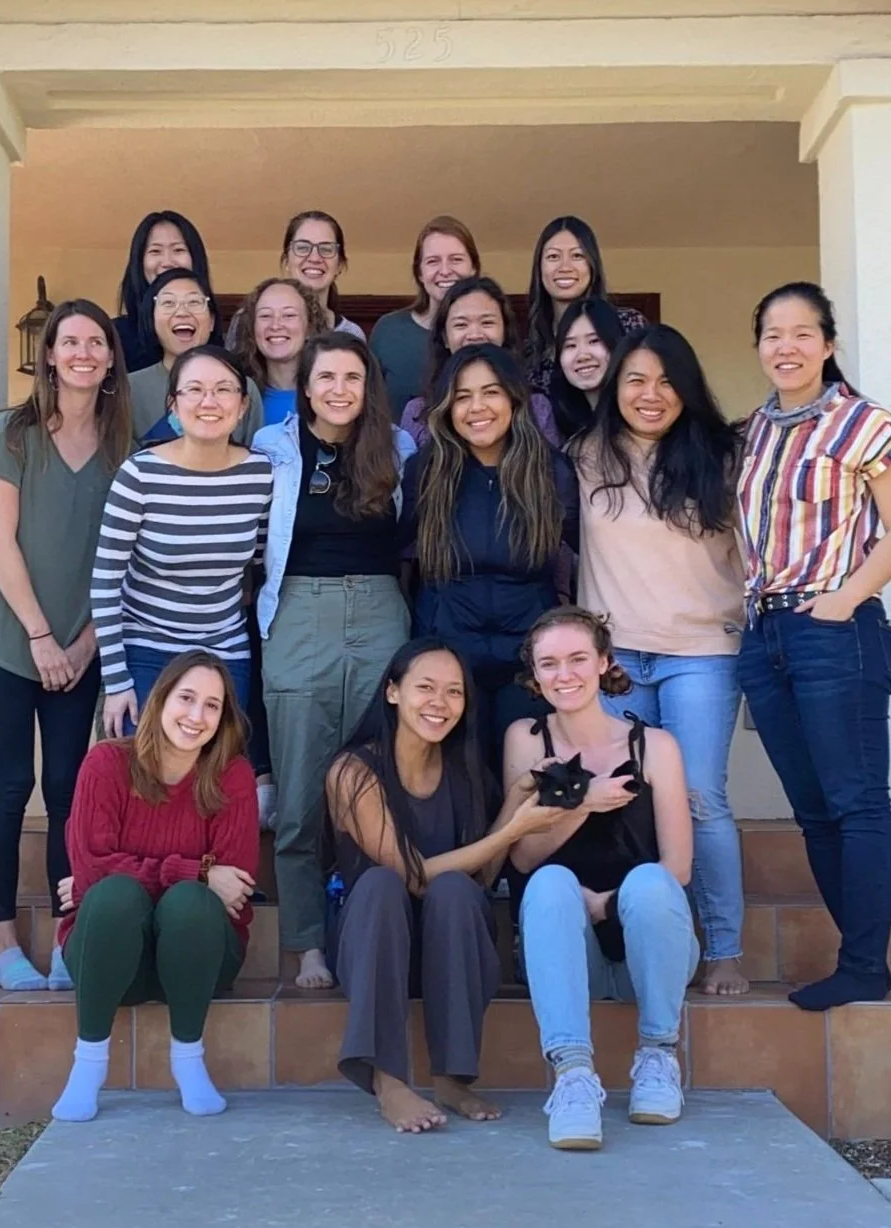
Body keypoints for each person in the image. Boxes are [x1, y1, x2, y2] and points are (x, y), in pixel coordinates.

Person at [736, 281, 891, 1012]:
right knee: (812, 810)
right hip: (765, 636)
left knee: (857, 801)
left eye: (801, 333)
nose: (786, 347)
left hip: (834, 631)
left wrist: (842, 601)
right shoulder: (752, 432)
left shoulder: (864, 424)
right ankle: (862, 963)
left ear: (828, 344)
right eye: (772, 335)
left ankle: (863, 966)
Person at [325, 638, 567, 1132]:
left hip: (449, 956)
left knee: (457, 890)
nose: (440, 702)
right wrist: (512, 831)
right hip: (374, 951)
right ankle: (388, 1080)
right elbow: (410, 874)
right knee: (381, 885)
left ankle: (453, 1078)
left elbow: (483, 875)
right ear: (393, 691)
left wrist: (515, 803)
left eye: (454, 691)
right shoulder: (353, 770)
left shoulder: (463, 770)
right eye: (426, 687)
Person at [572, 323, 750, 997]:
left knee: (700, 798)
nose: (650, 394)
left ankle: (724, 949)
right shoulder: (585, 455)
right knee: (618, 800)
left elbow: (758, 555)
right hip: (616, 660)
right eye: (635, 380)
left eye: (667, 381)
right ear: (614, 386)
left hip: (701, 653)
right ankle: (634, 946)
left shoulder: (723, 457)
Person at [0, 300, 134, 993]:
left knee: (68, 786)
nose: (83, 352)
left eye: (96, 342)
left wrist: (87, 643)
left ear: (111, 358)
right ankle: (3, 948)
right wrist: (39, 636)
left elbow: (127, 562)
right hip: (5, 639)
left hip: (81, 645)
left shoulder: (125, 448)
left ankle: (68, 939)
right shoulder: (14, 433)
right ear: (51, 356)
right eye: (70, 341)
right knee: (10, 785)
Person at [251, 333, 416, 991]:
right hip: (299, 612)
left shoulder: (397, 449)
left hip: (380, 614)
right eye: (326, 377)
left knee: (380, 780)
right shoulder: (273, 447)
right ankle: (308, 945)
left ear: (369, 386)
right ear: (306, 386)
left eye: (353, 377)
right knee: (300, 791)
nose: (339, 390)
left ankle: (372, 931)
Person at [507, 606, 698, 1150]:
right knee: (549, 884)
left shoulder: (653, 745)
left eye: (577, 659)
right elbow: (521, 858)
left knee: (650, 882)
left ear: (604, 662)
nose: (564, 674)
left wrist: (606, 903)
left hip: (650, 949)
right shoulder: (527, 739)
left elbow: (679, 867)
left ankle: (658, 1056)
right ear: (534, 674)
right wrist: (583, 802)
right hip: (567, 955)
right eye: (549, 664)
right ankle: (573, 1078)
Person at [50, 650, 259, 1122]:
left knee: (189, 904)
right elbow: (93, 871)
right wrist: (195, 871)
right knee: (116, 896)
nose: (196, 715)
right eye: (186, 698)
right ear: (159, 699)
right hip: (109, 958)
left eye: (212, 705)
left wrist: (178, 881)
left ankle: (189, 1060)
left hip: (198, 961)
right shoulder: (106, 763)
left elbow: (235, 890)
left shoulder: (233, 776)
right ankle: (88, 1065)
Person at [401, 344, 578, 757]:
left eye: (491, 392)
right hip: (449, 657)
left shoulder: (551, 471)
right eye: (462, 396)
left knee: (525, 774)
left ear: (514, 399)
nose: (476, 407)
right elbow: (400, 557)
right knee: (459, 775)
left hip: (528, 659)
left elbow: (587, 554)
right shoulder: (426, 470)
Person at [92, 345, 272, 736]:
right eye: (194, 389)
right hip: (145, 648)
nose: (209, 401)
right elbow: (105, 584)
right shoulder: (139, 475)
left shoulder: (260, 475)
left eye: (224, 389)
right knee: (139, 766)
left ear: (243, 405)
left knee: (216, 768)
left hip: (224, 650)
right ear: (173, 404)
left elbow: (259, 562)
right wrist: (117, 681)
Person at [396, 275, 561, 451]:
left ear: (505, 331)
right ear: (444, 337)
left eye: (487, 322)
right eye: (461, 325)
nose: (475, 335)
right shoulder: (418, 412)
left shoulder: (536, 407)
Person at [128, 268, 260, 448]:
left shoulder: (242, 387)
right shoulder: (128, 390)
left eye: (194, 302)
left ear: (212, 321)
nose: (182, 312)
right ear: (151, 320)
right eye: (168, 303)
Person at [522, 216, 647, 395]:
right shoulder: (531, 352)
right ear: (539, 268)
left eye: (577, 256)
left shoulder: (627, 324)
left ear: (592, 265)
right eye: (553, 256)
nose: (565, 267)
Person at [369, 216, 481, 416]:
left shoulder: (488, 331)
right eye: (433, 261)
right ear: (419, 273)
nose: (445, 271)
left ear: (473, 268)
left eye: (456, 259)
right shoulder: (389, 331)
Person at [229, 211, 365, 349]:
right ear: (287, 261)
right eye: (302, 248)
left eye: (326, 249)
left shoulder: (351, 334)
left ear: (339, 265)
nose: (314, 258)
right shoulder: (247, 320)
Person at [113, 210, 214, 372]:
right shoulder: (117, 336)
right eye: (155, 251)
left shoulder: (211, 339)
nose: (167, 262)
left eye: (178, 250)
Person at [234, 277, 330, 429]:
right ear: (252, 328)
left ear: (310, 327)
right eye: (265, 316)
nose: (276, 325)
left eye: (289, 315)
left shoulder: (332, 393)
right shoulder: (235, 395)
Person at [547, 296, 626, 440]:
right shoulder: (555, 426)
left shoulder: (639, 418)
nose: (583, 356)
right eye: (570, 345)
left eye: (594, 341)